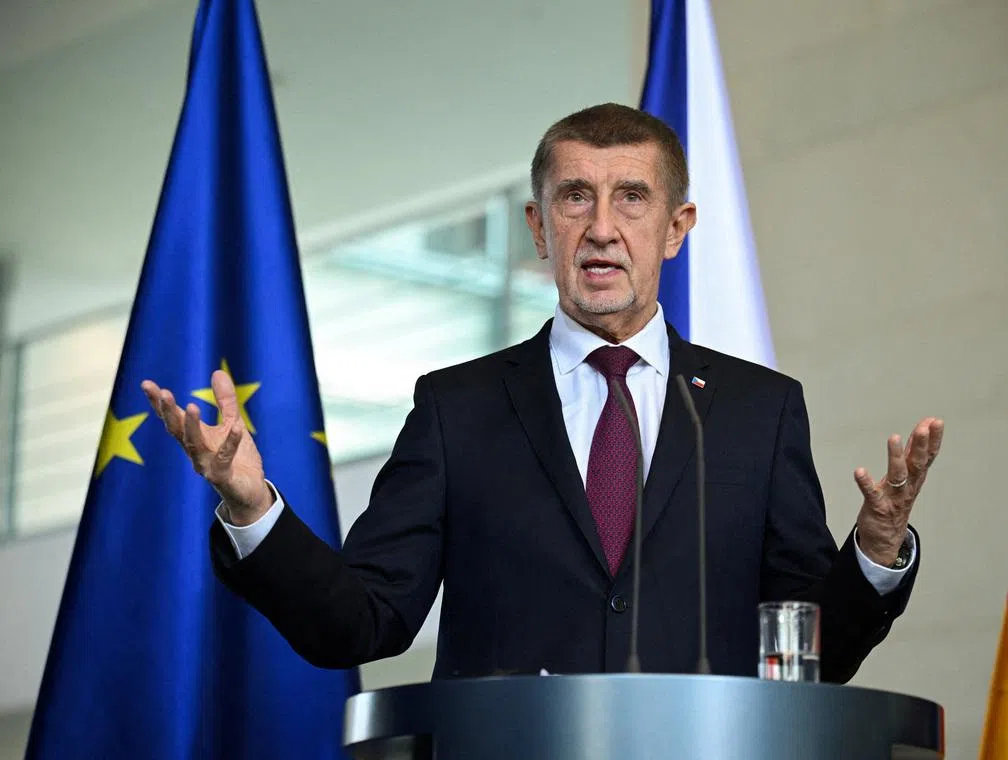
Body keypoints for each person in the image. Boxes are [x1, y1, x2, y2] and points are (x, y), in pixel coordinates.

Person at [142, 103, 943, 683]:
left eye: (631, 196)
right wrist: (253, 508)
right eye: (574, 197)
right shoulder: (457, 409)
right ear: (538, 227)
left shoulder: (757, 410)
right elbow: (362, 621)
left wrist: (873, 550)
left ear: (676, 227)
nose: (601, 227)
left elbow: (812, 655)